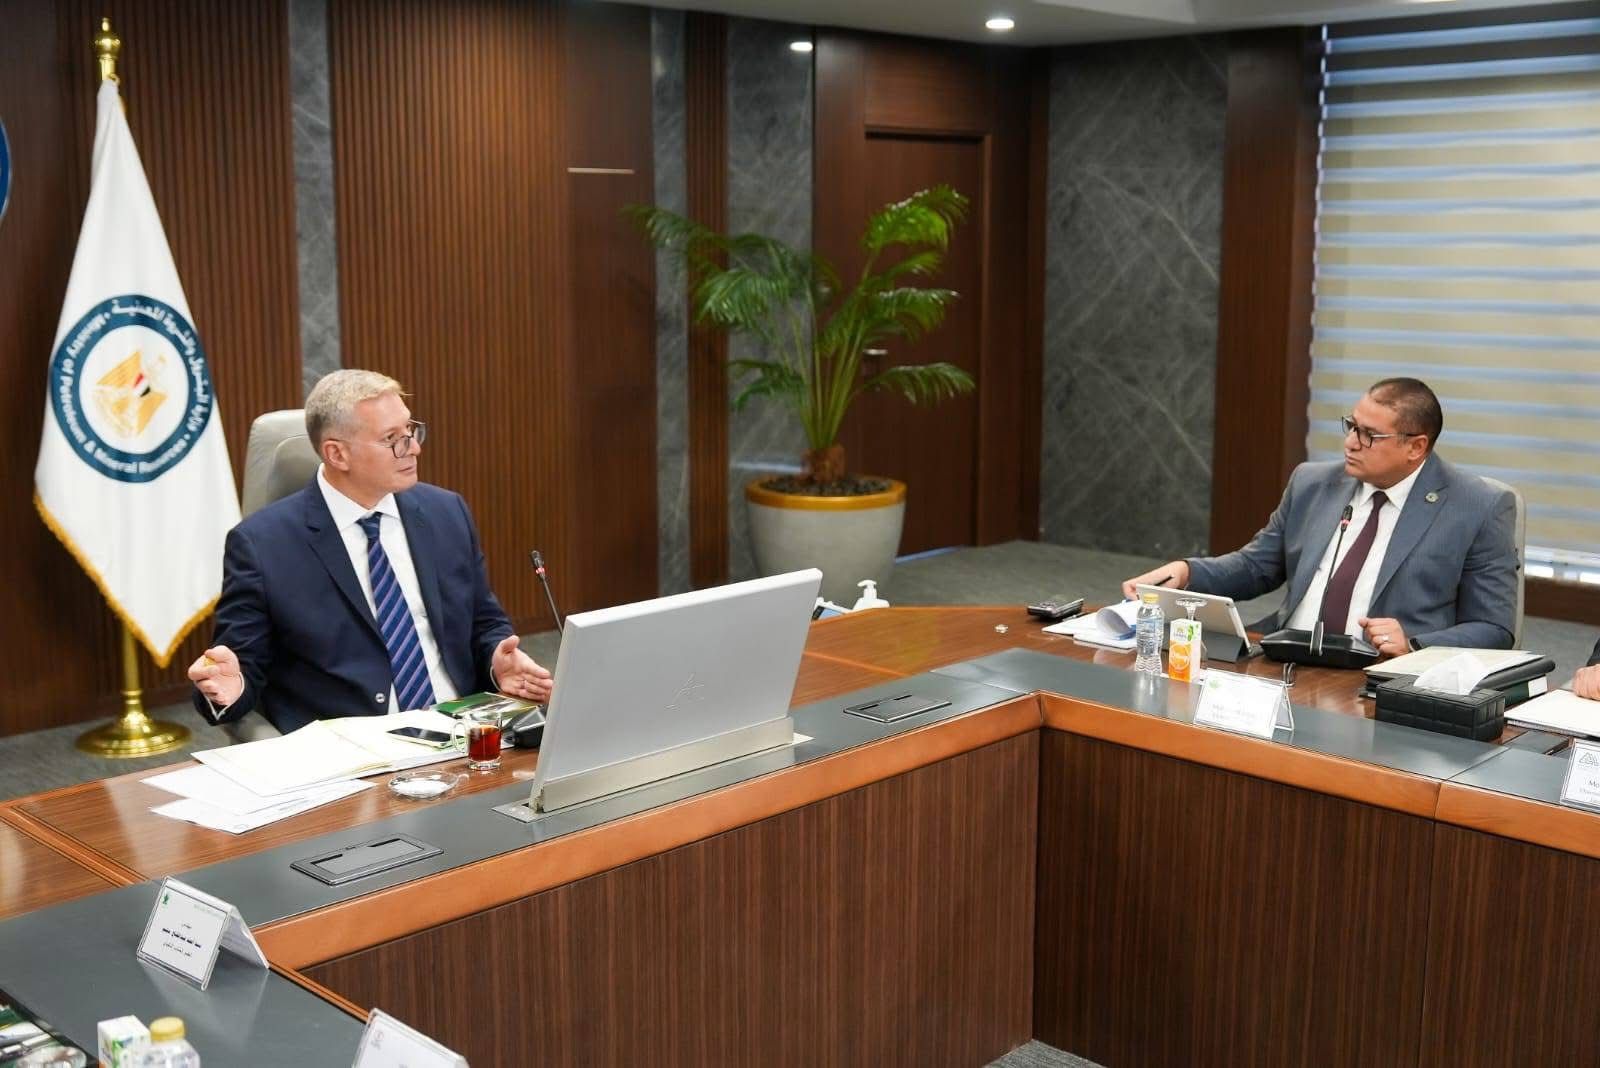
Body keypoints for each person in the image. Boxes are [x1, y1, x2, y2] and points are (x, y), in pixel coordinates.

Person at [188, 370, 552, 733]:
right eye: (392, 439)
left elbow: (483, 622)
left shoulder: (445, 512)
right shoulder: (262, 544)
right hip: (351, 744)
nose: (413, 448)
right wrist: (229, 687)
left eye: (410, 430)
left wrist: (496, 660)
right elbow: (239, 666)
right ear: (337, 454)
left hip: (463, 729)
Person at [1122, 377, 1517, 659]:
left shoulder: (1478, 506)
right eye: (1351, 426)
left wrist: (1415, 644)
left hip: (1380, 677)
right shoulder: (1313, 483)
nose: (1350, 443)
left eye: (1369, 435)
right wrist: (1187, 572)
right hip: (1284, 657)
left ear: (1415, 447)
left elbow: (1495, 628)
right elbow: (1257, 566)